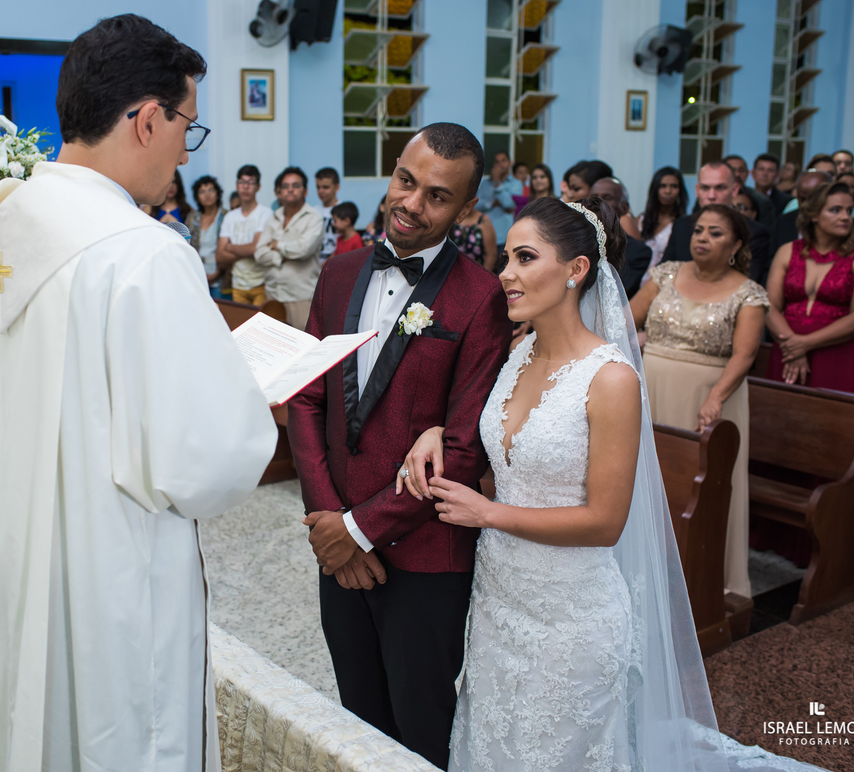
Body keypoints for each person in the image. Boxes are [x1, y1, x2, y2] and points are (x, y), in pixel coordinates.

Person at [0, 14, 277, 772]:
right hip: (111, 584)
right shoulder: (142, 254)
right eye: (187, 127)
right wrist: (243, 396)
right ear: (148, 118)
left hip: (6, 565)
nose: (184, 154)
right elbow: (205, 463)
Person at [395, 198, 820, 772]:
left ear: (576, 270)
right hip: (498, 604)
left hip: (571, 619)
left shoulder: (611, 379)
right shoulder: (516, 353)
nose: (506, 274)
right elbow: (499, 448)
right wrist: (436, 432)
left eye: (525, 258)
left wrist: (488, 513)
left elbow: (605, 522)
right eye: (507, 259)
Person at [290, 123, 511, 770]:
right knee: (357, 717)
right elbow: (307, 399)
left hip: (424, 556)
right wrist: (330, 521)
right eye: (405, 181)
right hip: (337, 542)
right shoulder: (338, 272)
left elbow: (463, 449)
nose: (411, 203)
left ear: (466, 208)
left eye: (437, 196)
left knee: (420, 730)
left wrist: (359, 529)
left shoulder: (481, 296)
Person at [630, 204, 768, 598]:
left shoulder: (749, 293)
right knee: (645, 478)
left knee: (696, 485)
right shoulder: (666, 273)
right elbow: (624, 318)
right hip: (651, 389)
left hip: (706, 397)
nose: (702, 238)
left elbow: (744, 354)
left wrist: (715, 398)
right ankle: (642, 570)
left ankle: (700, 578)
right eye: (698, 230)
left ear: (736, 245)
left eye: (715, 233)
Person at [765, 181, 854, 393]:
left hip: (839, 354)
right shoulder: (787, 251)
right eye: (835, 210)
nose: (845, 217)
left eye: (849, 211)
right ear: (814, 215)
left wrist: (805, 343)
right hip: (787, 351)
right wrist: (793, 346)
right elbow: (769, 306)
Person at [659, 161, 773, 284]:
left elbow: (748, 282)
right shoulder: (681, 225)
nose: (711, 196)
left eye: (720, 188)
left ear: (734, 190)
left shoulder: (754, 232)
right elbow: (664, 273)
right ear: (697, 190)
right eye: (705, 188)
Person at [254, 166, 323, 329]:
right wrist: (282, 256)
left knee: (303, 342)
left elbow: (304, 249)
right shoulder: (273, 218)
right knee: (272, 342)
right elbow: (259, 254)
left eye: (295, 186)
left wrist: (276, 245)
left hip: (301, 297)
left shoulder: (314, 218)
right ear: (279, 192)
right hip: (273, 295)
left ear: (305, 191)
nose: (290, 190)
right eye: (285, 186)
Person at [217, 164, 272, 305]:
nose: (245, 187)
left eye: (250, 182)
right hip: (237, 285)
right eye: (242, 182)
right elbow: (220, 256)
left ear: (258, 187)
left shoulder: (266, 214)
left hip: (261, 283)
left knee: (260, 320)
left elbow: (255, 249)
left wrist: (229, 247)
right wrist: (248, 250)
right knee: (240, 320)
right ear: (236, 185)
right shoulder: (230, 217)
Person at [592, 176, 650, 298]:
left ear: (624, 207)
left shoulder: (638, 252)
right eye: (594, 197)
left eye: (607, 198)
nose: (598, 203)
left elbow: (617, 293)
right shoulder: (574, 241)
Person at [636, 166, 688, 281]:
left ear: (680, 190)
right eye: (662, 186)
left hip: (667, 281)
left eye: (674, 186)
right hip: (637, 281)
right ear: (655, 189)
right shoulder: (641, 220)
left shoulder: (684, 224)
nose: (668, 191)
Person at [185, 174, 226, 297]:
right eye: (202, 192)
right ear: (197, 197)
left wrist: (217, 273)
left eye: (210, 190)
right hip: (197, 273)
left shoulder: (226, 216)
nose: (207, 195)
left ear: (217, 193)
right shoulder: (192, 218)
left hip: (221, 275)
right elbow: (187, 246)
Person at [475, 150, 524, 250]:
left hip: (506, 238)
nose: (500, 164)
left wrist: (497, 183)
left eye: (503, 161)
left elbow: (509, 205)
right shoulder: (485, 183)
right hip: (484, 236)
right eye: (497, 162)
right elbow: (475, 205)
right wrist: (491, 203)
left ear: (510, 162)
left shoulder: (516, 184)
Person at [725, 154, 776, 234]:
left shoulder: (761, 201)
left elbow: (766, 234)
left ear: (747, 173)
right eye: (732, 170)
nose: (737, 174)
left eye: (741, 170)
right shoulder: (711, 196)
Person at [449, 206, 498, 272]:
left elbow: (491, 255)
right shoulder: (451, 218)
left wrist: (483, 276)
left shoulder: (483, 220)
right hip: (453, 271)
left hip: (477, 271)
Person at [315, 166, 341, 262]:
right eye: (318, 187)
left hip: (337, 261)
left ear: (337, 187)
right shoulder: (312, 212)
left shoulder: (344, 210)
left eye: (325, 187)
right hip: (316, 263)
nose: (321, 191)